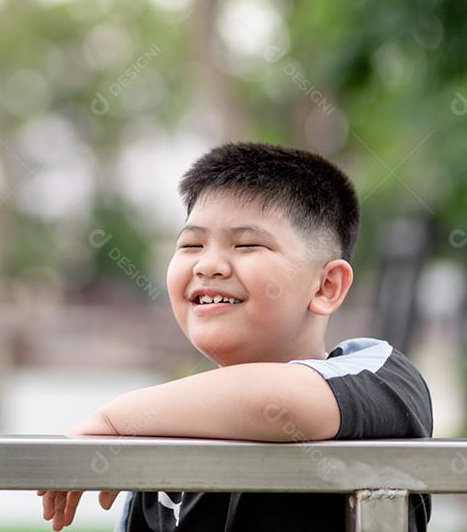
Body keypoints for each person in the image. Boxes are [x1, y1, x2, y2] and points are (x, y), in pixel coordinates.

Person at [39, 141, 432, 532]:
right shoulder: (164, 429)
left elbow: (281, 404)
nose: (208, 265)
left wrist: (111, 419)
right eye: (191, 245)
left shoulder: (379, 376)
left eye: (247, 245)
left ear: (326, 286)